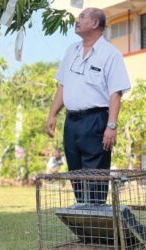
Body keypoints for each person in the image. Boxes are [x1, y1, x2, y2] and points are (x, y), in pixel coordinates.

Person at [45, 8, 130, 204]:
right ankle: (85, 226)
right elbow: (62, 86)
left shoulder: (110, 54)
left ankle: (97, 225)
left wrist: (111, 126)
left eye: (82, 16)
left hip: (96, 121)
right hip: (71, 121)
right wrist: (52, 115)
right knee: (76, 174)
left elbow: (115, 93)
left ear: (95, 24)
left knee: (95, 177)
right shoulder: (71, 51)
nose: (77, 19)